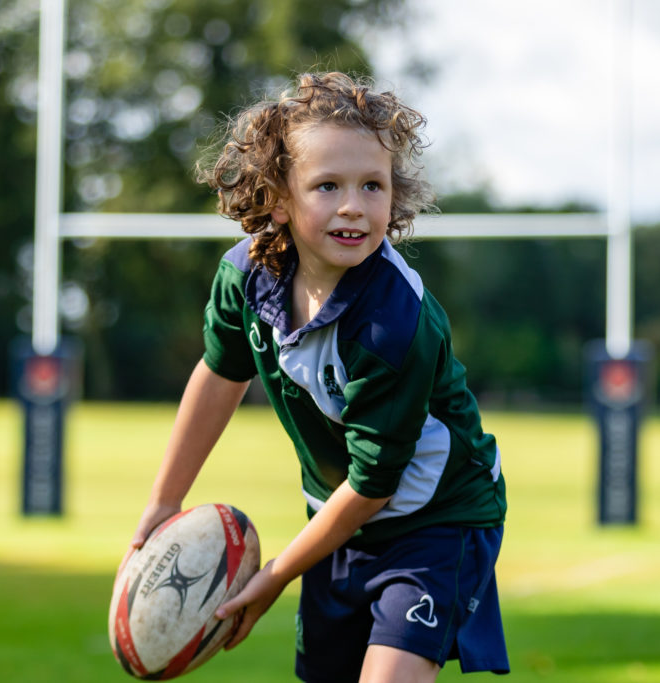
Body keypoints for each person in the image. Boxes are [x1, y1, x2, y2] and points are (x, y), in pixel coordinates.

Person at [127, 71, 509, 682]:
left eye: (372, 186)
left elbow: (373, 486)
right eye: (327, 185)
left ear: (395, 195)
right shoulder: (245, 277)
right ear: (279, 196)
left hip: (437, 518)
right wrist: (164, 501)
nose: (354, 205)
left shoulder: (394, 326)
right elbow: (219, 375)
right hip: (335, 515)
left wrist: (276, 575)